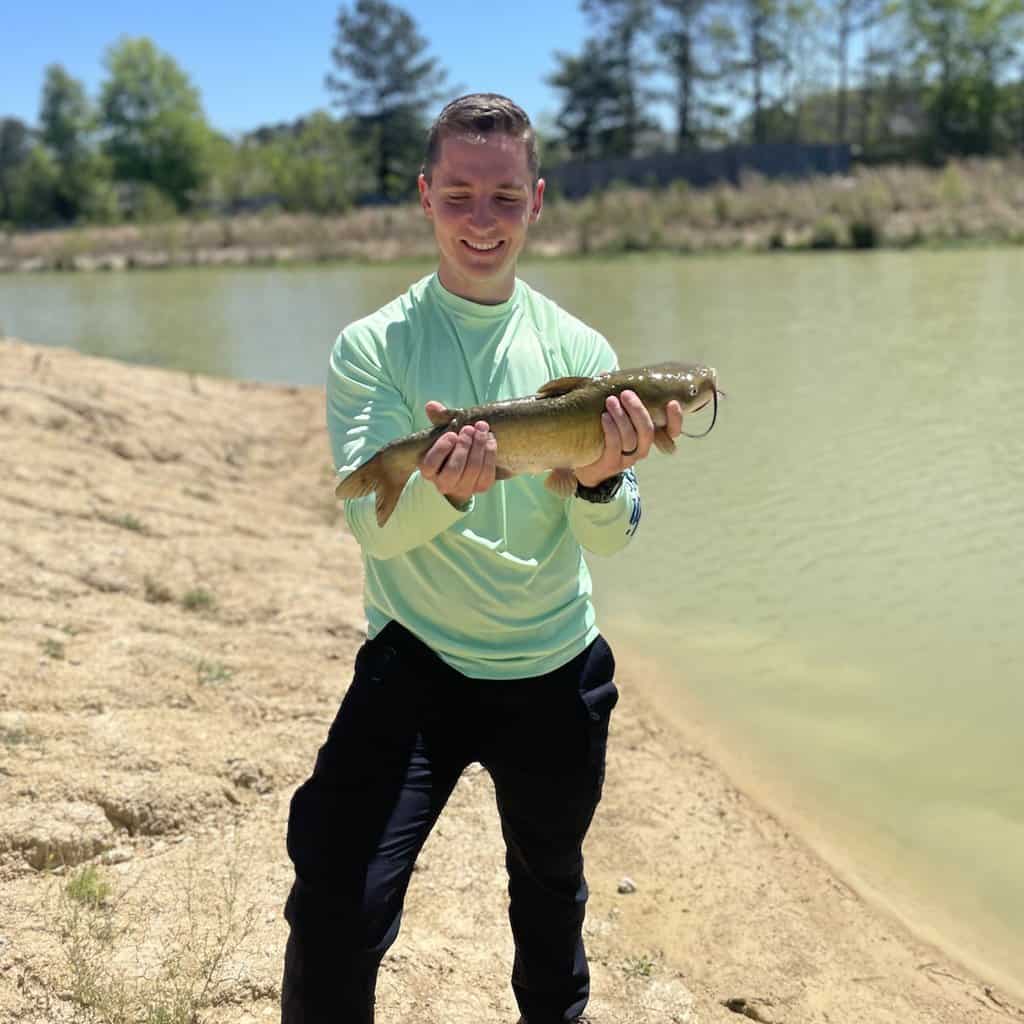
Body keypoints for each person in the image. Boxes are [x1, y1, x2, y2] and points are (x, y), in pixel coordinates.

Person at [281, 93, 684, 1024]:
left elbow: (612, 537)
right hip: (414, 659)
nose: (482, 221)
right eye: (459, 194)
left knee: (551, 901)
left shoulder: (583, 353)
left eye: (504, 198)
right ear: (425, 196)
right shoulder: (371, 348)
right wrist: (446, 487)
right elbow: (376, 533)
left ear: (537, 201)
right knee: (337, 902)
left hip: (553, 664)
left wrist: (595, 482)